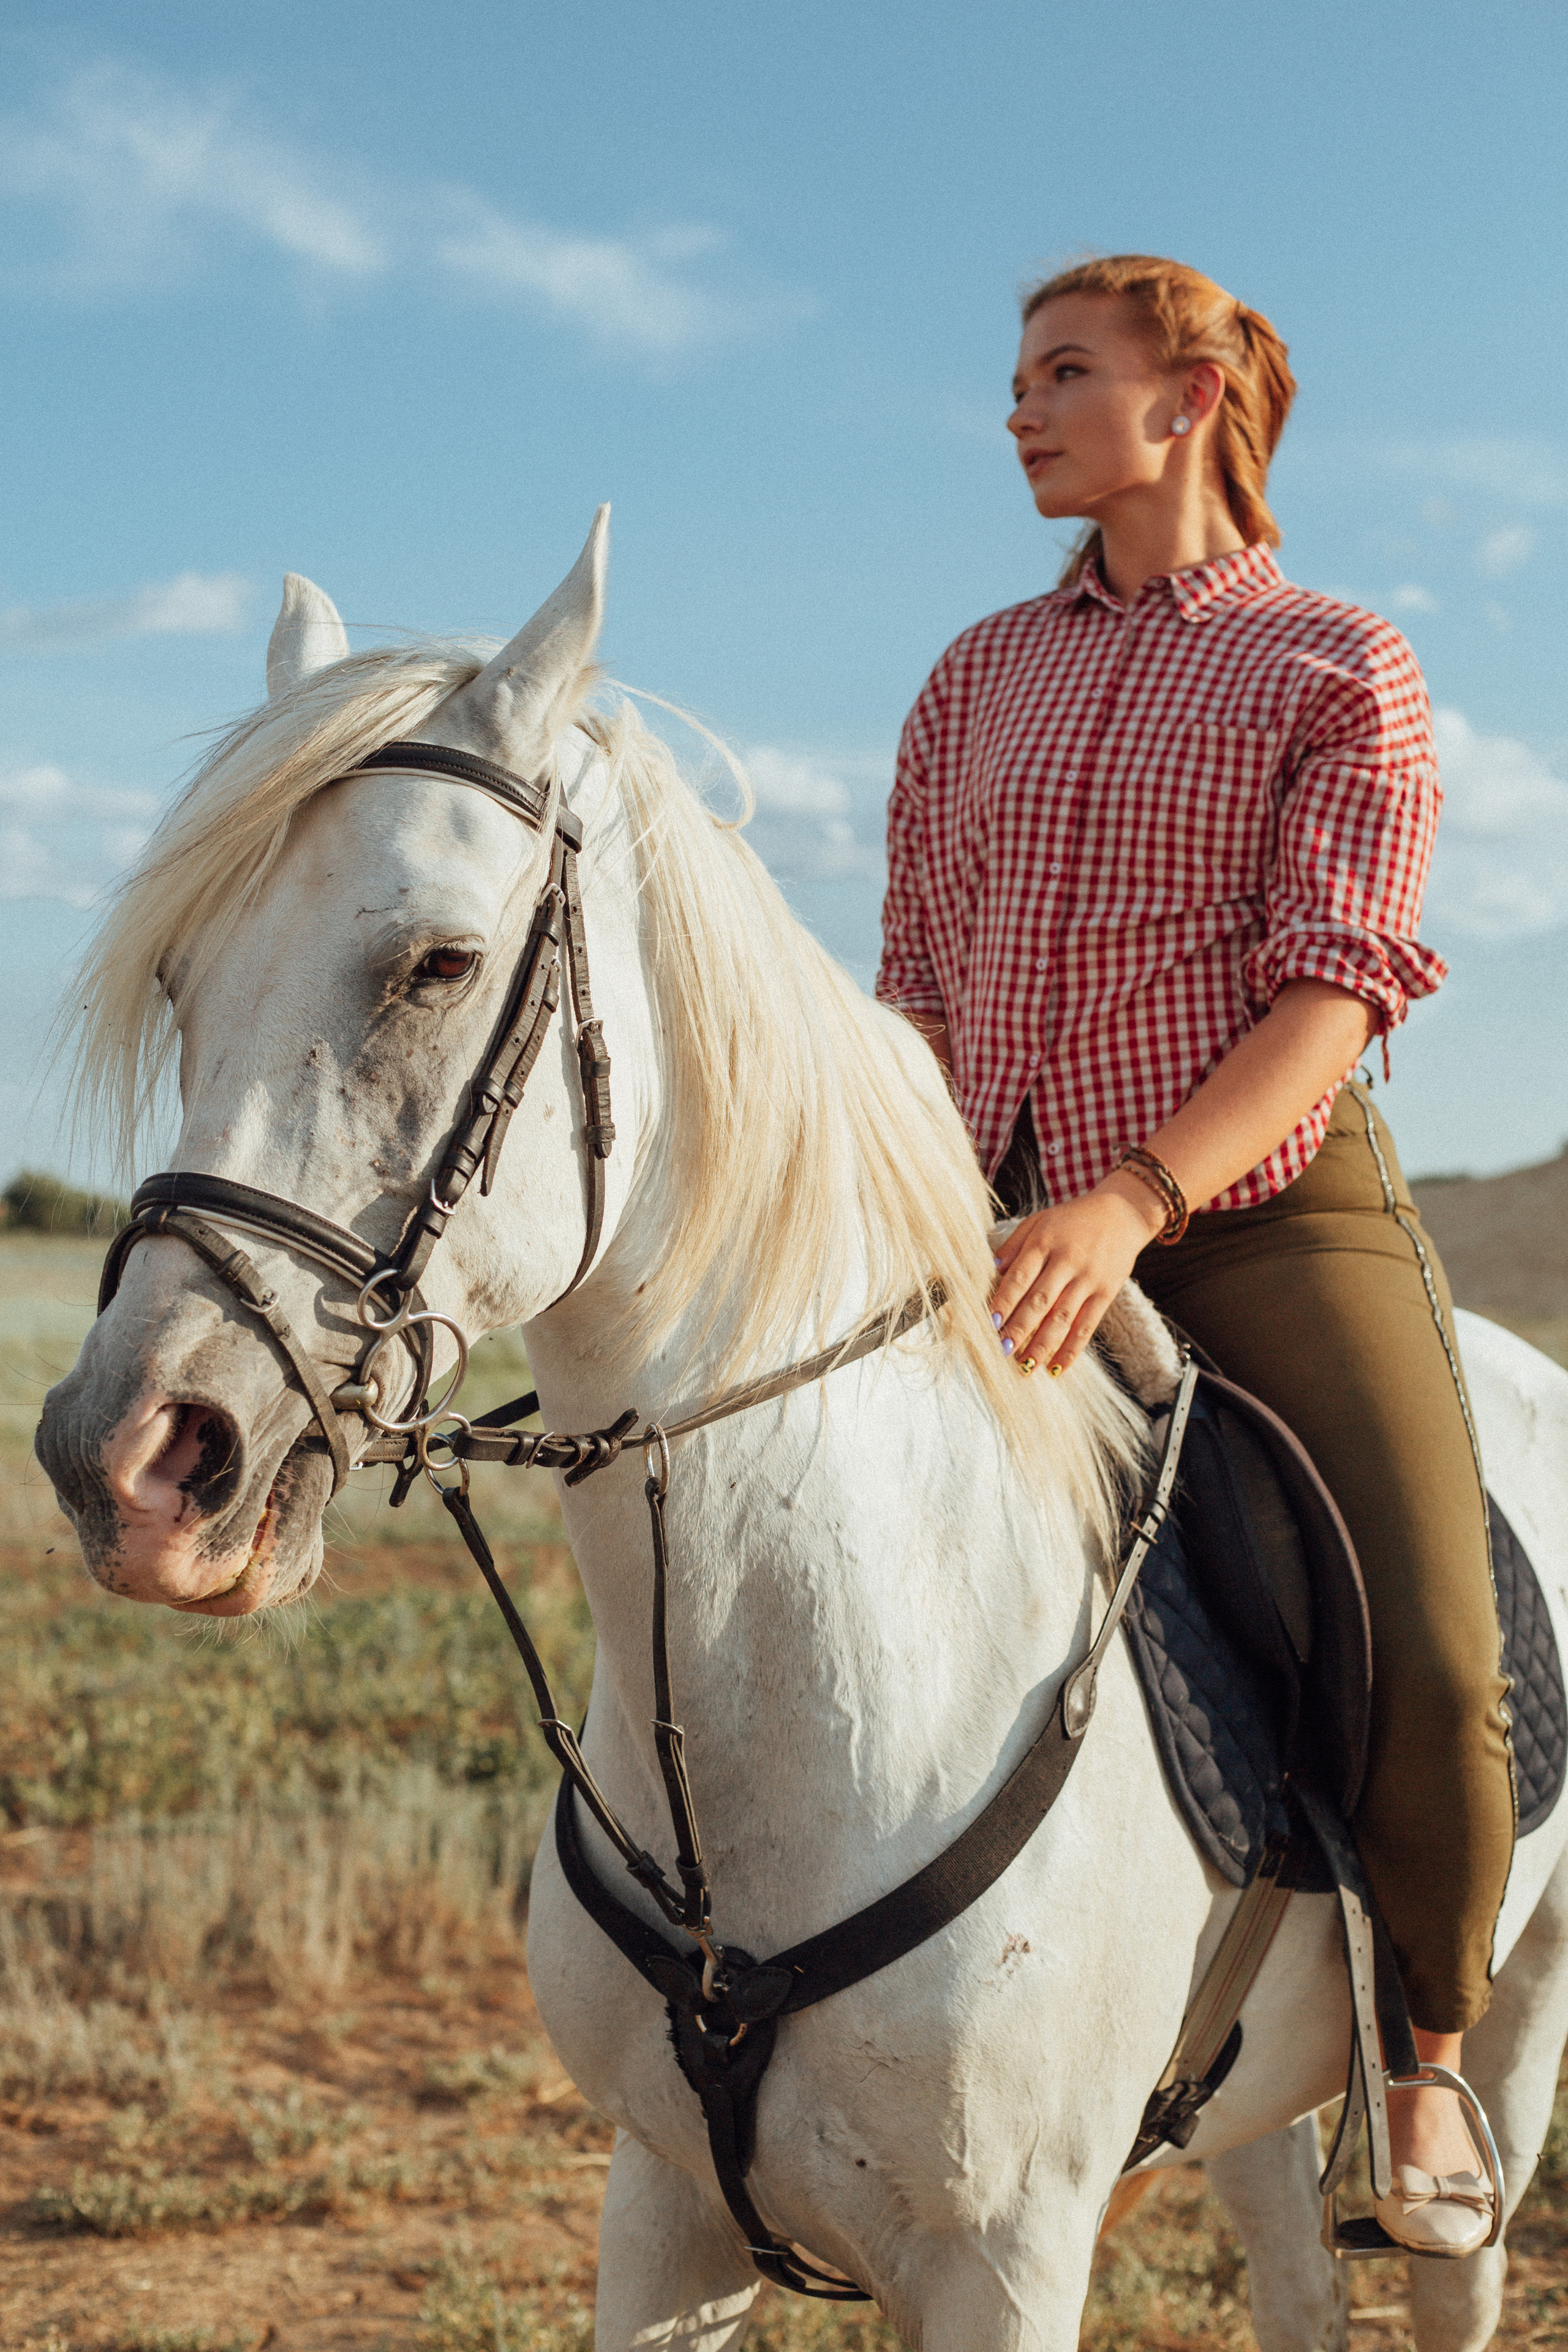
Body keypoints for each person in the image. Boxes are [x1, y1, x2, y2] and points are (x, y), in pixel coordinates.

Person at [876, 254, 1515, 2256]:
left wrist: (1135, 1198)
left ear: (1194, 396)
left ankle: (1421, 2054)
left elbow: (1330, 999)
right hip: (980, 1208)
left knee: (1428, 1629)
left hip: (1251, 1202)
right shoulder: (978, 671)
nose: (1019, 410)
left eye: (1063, 372)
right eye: (1016, 377)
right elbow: (910, 982)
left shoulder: (1341, 663)